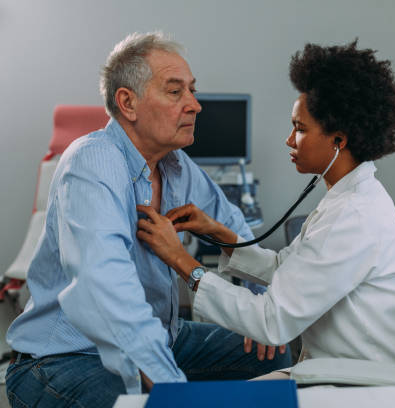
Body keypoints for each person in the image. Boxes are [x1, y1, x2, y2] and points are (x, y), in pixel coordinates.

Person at [136, 40, 395, 383]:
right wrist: (219, 233)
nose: (290, 140)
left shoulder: (355, 216)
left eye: (300, 129)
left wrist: (183, 262)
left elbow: (272, 321)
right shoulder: (346, 199)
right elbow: (284, 269)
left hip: (378, 380)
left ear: (339, 140)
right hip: (351, 366)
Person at [5, 32, 290, 408]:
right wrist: (172, 388)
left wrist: (259, 306)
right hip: (64, 358)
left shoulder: (176, 166)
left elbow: (231, 221)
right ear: (128, 103)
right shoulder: (92, 164)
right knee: (129, 397)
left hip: (161, 334)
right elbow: (108, 290)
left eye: (192, 90)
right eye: (175, 92)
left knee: (270, 351)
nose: (195, 105)